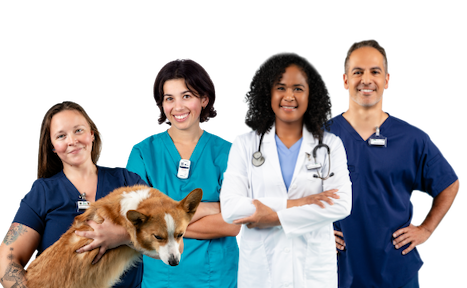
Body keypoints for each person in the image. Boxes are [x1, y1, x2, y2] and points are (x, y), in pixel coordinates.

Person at [331, 39, 460, 288]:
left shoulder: (411, 139)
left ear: (387, 80)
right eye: (357, 72)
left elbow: (449, 183)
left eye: (375, 72)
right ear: (345, 80)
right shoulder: (320, 138)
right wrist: (312, 233)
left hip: (395, 271)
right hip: (335, 270)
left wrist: (426, 229)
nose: (366, 79)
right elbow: (292, 192)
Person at [220, 51, 352, 288]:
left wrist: (272, 217)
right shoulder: (245, 144)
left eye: (298, 89)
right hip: (261, 272)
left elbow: (341, 203)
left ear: (311, 95)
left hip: (312, 272)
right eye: (280, 87)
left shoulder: (330, 146)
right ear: (267, 93)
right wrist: (301, 203)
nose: (289, 96)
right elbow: (231, 208)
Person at [0, 100, 145, 288]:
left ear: (92, 134)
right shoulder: (43, 192)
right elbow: (3, 264)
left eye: (78, 130)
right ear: (53, 146)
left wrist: (122, 236)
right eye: (61, 136)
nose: (72, 141)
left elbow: (173, 241)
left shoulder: (127, 181)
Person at [125, 58, 241, 288]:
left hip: (216, 278)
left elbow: (234, 224)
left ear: (204, 99)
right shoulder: (142, 153)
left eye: (186, 96)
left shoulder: (228, 152)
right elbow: (137, 225)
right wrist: (211, 208)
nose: (177, 107)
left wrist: (164, 227)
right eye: (169, 98)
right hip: (160, 279)